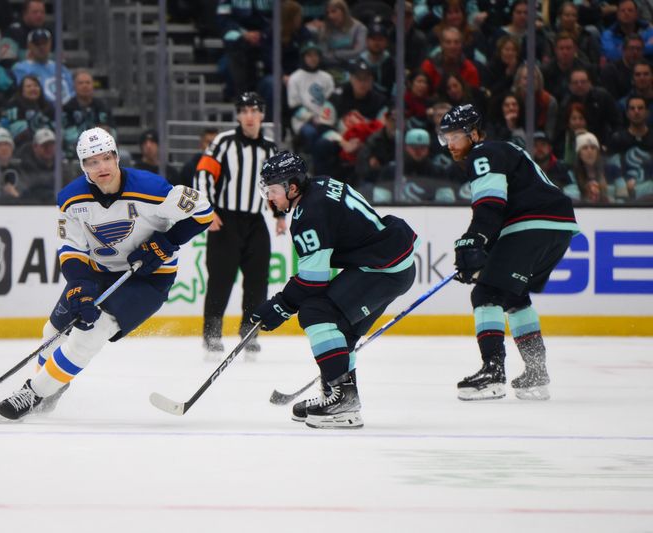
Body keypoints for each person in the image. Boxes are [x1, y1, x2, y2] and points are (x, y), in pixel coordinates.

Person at [0, 127, 214, 422]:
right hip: (99, 272)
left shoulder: (153, 189)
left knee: (90, 334)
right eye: (92, 162)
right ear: (83, 167)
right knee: (52, 332)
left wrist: (166, 242)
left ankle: (32, 393)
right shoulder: (70, 200)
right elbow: (70, 247)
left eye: (106, 158)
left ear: (116, 157)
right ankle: (51, 388)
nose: (102, 167)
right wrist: (80, 285)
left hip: (149, 278)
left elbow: (203, 211)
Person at [252, 151, 418, 429]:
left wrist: (279, 306)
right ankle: (337, 395)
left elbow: (312, 281)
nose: (270, 198)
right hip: (388, 262)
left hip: (382, 269)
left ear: (292, 187)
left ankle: (344, 401)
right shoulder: (319, 185)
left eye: (273, 190)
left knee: (316, 312)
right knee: (341, 331)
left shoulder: (309, 214)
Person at [440, 104, 579, 402]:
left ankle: (493, 373)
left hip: (532, 225)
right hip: (559, 227)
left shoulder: (482, 154)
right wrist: (481, 246)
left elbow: (491, 206)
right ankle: (536, 372)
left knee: (485, 294)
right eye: (445, 138)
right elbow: (502, 210)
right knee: (514, 296)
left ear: (474, 134)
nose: (450, 145)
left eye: (455, 137)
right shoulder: (503, 150)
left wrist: (473, 240)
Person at [194, 92, 284, 361]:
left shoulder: (270, 149)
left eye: (254, 110)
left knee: (258, 281)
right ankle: (212, 334)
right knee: (220, 279)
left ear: (262, 115)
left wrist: (280, 215)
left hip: (256, 221)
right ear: (238, 116)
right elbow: (203, 173)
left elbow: (276, 184)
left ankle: (250, 332)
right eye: (244, 110)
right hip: (225, 220)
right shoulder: (223, 142)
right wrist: (207, 210)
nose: (249, 116)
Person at [11, 28, 75, 104]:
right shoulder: (21, 69)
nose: (41, 47)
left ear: (50, 44)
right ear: (29, 46)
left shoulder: (61, 68)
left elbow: (72, 91)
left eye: (44, 43)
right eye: (37, 44)